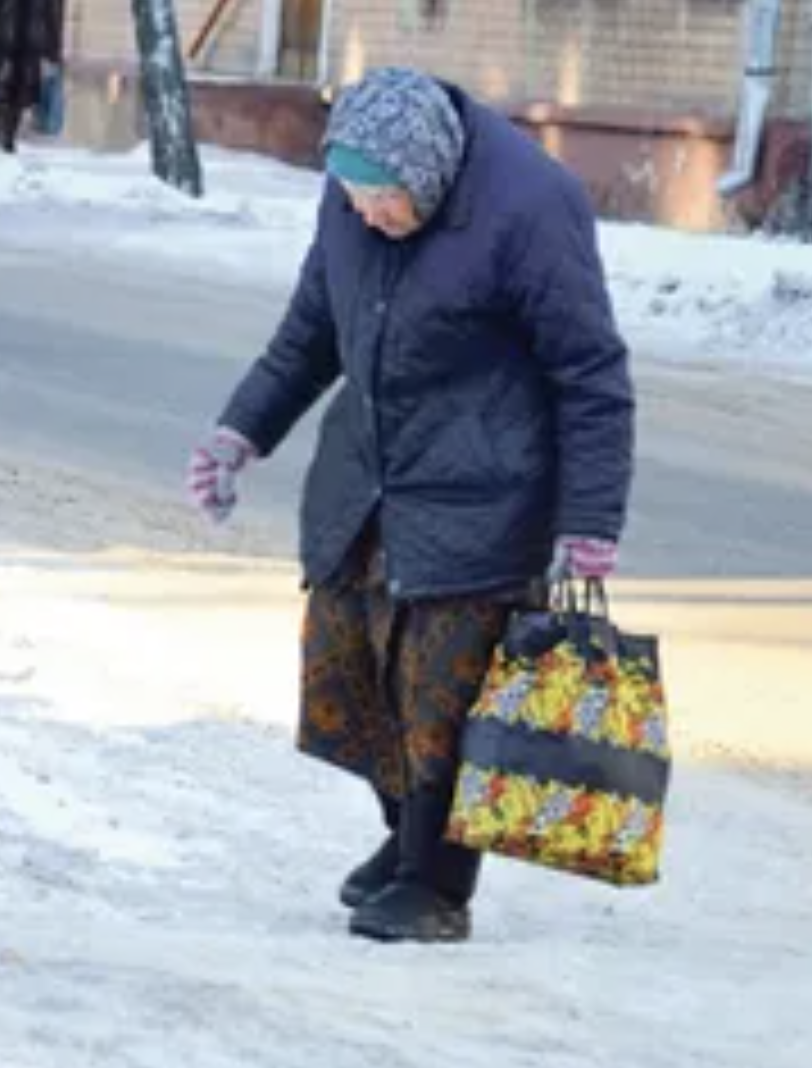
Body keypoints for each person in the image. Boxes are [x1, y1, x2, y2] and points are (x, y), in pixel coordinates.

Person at [185, 67, 636, 944]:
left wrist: (589, 521)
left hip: (488, 486)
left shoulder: (532, 209)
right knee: (349, 669)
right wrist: (237, 434)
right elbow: (311, 332)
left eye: (382, 201)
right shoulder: (353, 200)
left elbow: (591, 377)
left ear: (428, 176)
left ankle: (436, 884)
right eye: (350, 197)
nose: (365, 215)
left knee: (444, 691)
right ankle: (407, 843)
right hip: (372, 474)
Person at [0, 0, 64, 154]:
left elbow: (51, 16)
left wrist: (53, 50)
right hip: (3, 42)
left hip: (28, 45)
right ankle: (1, 127)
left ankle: (7, 134)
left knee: (18, 92)